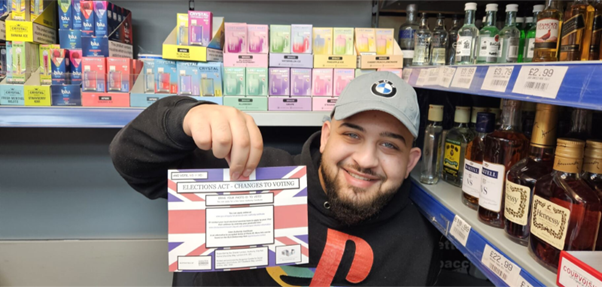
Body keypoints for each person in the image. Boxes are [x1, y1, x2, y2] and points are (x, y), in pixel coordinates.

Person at [110, 71, 440, 287]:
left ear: (411, 161)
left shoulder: (417, 238)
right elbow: (132, 161)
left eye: (389, 145)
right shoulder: (251, 172)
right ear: (325, 137)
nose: (366, 160)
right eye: (352, 135)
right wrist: (185, 115)